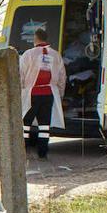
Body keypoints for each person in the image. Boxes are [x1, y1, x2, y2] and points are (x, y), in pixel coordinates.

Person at [18, 27, 66, 159]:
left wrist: (21, 91)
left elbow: (20, 74)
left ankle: (24, 150)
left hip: (31, 93)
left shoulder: (28, 54)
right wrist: (60, 94)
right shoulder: (55, 55)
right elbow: (62, 76)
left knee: (26, 123)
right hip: (49, 93)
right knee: (44, 124)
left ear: (35, 38)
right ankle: (43, 152)